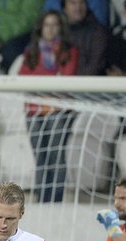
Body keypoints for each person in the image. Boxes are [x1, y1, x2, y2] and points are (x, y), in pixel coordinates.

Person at [19, 10, 78, 203]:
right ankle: (42, 198)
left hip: (58, 110)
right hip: (34, 111)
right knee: (40, 157)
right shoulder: (31, 51)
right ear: (41, 28)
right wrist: (50, 83)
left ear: (60, 27)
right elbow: (23, 77)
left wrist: (41, 85)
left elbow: (67, 78)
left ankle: (56, 199)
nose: (50, 29)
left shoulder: (70, 51)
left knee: (56, 154)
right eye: (47, 24)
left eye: (55, 24)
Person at [60, 0, 109, 75]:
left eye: (82, 2)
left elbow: (95, 66)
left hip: (87, 84)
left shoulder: (97, 31)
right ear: (64, 8)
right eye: (73, 3)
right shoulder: (59, 30)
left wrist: (73, 84)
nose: (78, 8)